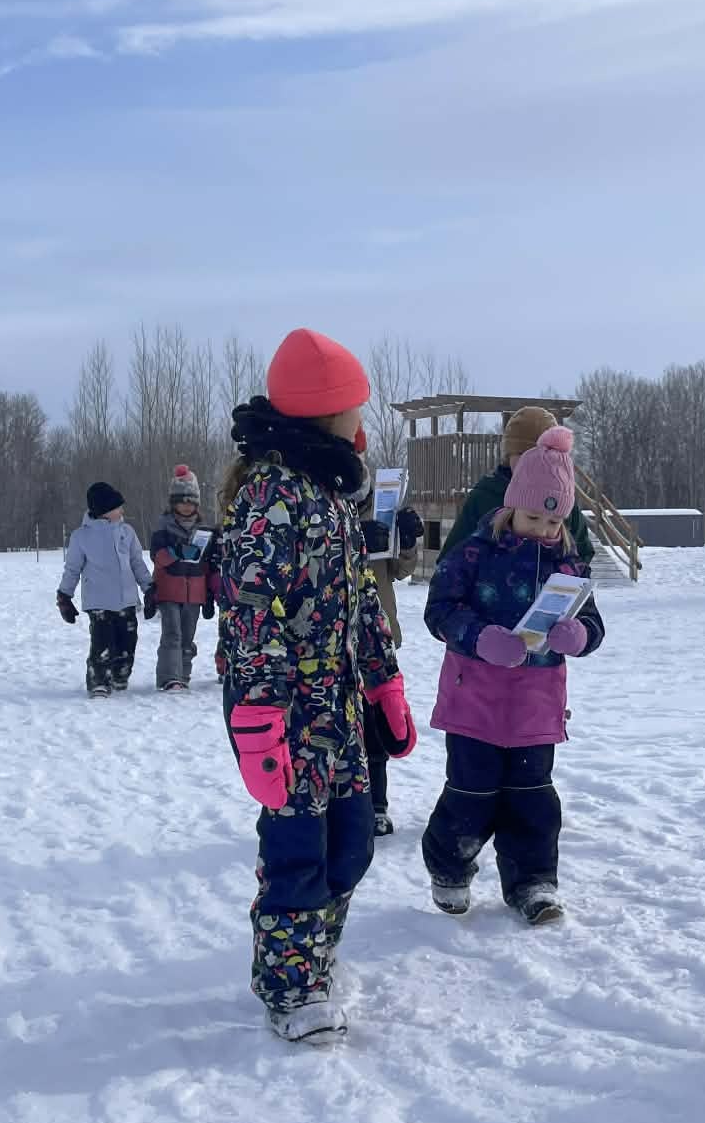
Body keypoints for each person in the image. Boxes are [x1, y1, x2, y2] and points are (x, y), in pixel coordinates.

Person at [217, 328, 419, 1044]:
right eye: (355, 405)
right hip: (287, 711)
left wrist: (384, 685)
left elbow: (363, 602)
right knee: (298, 848)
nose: (363, 418)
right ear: (327, 411)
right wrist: (259, 716)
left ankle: (316, 952)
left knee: (352, 842)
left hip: (339, 705)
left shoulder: (331, 495)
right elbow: (251, 613)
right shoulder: (270, 497)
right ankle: (291, 983)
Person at [421, 426, 605, 925]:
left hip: (536, 704)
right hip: (475, 699)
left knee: (532, 798)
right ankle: (451, 868)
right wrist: (480, 636)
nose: (544, 529)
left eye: (554, 520)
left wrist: (578, 636)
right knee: (471, 791)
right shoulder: (475, 552)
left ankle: (534, 881)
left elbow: (593, 623)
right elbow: (440, 609)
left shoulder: (568, 564)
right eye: (533, 517)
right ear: (512, 505)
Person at [440, 405, 598, 567]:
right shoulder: (485, 496)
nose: (531, 463)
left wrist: (564, 575)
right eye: (523, 455)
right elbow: (450, 559)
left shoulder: (559, 498)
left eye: (541, 458)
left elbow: (582, 552)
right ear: (508, 455)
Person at [360, 497, 424, 835]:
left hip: (378, 638)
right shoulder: (318, 508)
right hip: (333, 640)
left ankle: (377, 805)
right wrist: (356, 542)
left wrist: (407, 540)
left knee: (379, 727)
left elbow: (400, 570)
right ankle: (338, 806)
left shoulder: (379, 510)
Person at [57, 482, 152, 698]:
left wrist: (149, 588)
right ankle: (98, 680)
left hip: (127, 601)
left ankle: (120, 676)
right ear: (104, 511)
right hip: (99, 603)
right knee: (102, 644)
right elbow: (72, 569)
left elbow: (137, 563)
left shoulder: (127, 532)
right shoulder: (81, 537)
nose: (122, 511)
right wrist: (64, 597)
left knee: (128, 643)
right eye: (118, 507)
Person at [146, 466, 219, 692]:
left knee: (187, 637)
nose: (187, 506)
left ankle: (183, 674)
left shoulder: (205, 530)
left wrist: (209, 594)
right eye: (182, 502)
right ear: (173, 503)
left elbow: (208, 565)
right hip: (169, 590)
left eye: (191, 502)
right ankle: (170, 677)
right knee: (172, 635)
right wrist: (176, 552)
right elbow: (157, 556)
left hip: (195, 593)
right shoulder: (164, 527)